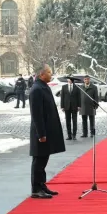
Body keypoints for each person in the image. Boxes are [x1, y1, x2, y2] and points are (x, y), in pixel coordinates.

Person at [29, 64, 65, 199]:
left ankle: (42, 185)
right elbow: (37, 114)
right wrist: (41, 134)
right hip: (41, 132)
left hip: (47, 130)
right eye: (49, 72)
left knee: (43, 159)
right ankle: (36, 188)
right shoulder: (37, 89)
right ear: (42, 74)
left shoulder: (44, 86)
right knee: (38, 160)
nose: (51, 74)